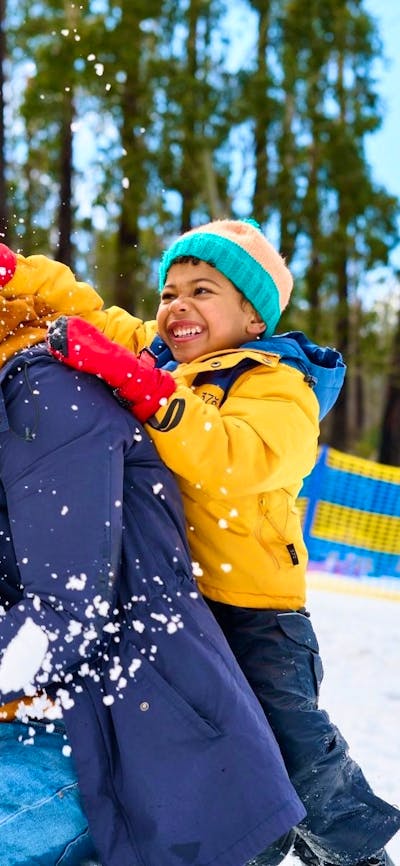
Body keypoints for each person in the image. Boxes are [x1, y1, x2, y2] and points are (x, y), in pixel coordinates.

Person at [1, 220, 399, 866]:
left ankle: (356, 853)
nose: (177, 306)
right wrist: (17, 273)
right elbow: (89, 310)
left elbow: (233, 458)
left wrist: (150, 395)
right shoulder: (161, 357)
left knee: (296, 755)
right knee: (220, 750)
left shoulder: (279, 386)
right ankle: (242, 842)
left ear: (251, 317)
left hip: (262, 618)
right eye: (168, 293)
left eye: (202, 291)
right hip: (194, 609)